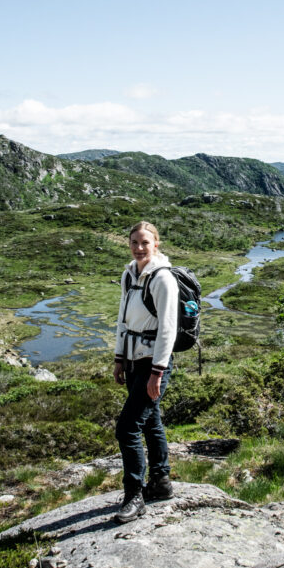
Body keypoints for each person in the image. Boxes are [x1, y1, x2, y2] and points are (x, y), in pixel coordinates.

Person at [112, 220, 178, 523]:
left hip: (153, 364)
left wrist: (157, 373)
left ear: (156, 244)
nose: (139, 248)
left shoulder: (162, 279)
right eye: (134, 242)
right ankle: (161, 483)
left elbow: (168, 330)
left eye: (145, 243)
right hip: (133, 360)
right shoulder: (129, 274)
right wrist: (118, 358)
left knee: (127, 427)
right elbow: (123, 319)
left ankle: (134, 495)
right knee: (151, 422)